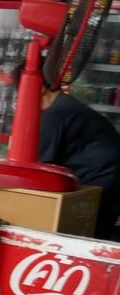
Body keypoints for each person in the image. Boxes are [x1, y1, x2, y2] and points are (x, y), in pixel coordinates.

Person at [39, 88, 120, 242]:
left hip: (101, 181)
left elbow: (43, 163)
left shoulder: (55, 112)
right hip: (106, 179)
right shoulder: (64, 103)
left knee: (85, 242)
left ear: (41, 88)